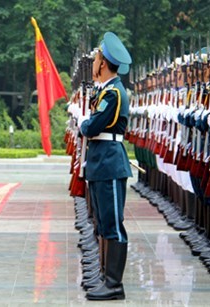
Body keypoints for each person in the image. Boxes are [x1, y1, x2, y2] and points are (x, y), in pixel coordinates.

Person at [78, 32, 132, 300]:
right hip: (101, 162)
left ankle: (114, 283)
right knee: (102, 222)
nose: (94, 62)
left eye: (97, 58)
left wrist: (82, 121)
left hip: (110, 162)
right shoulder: (105, 92)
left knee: (113, 223)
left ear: (103, 63)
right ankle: (105, 276)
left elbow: (92, 126)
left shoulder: (114, 94)